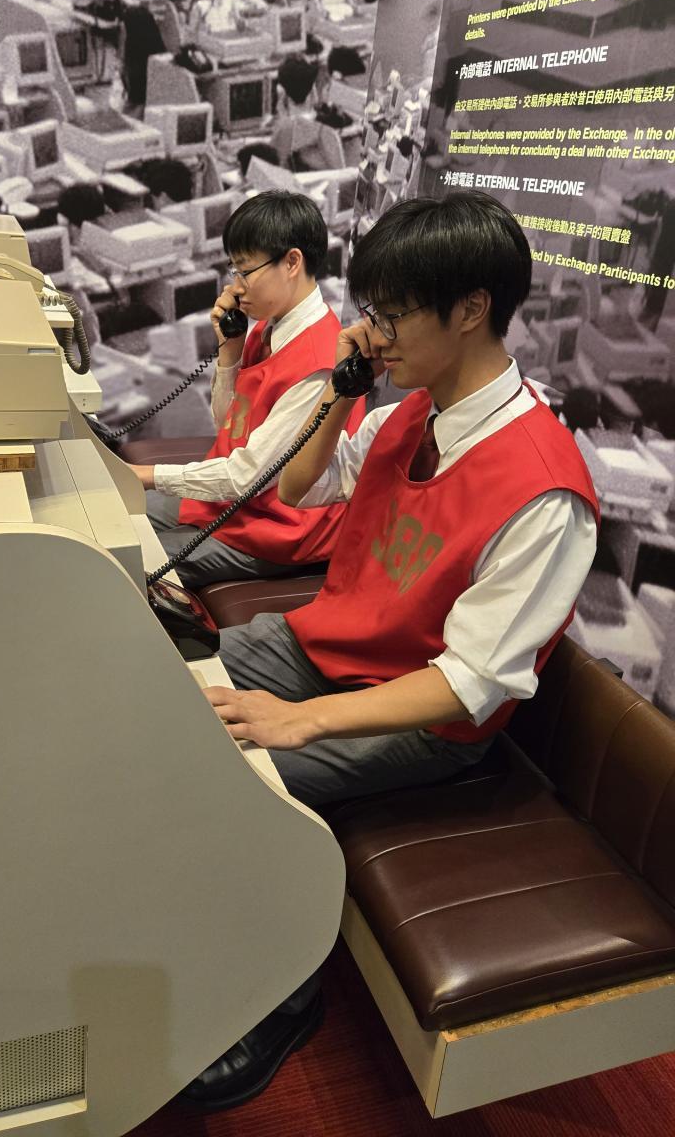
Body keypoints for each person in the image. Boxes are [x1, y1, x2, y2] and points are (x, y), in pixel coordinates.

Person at [182, 191, 599, 1111]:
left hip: (421, 717)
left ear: (471, 309)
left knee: (230, 781)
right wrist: (344, 388)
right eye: (371, 310)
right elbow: (299, 484)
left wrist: (303, 723)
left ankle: (282, 992)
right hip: (324, 646)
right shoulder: (409, 411)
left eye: (392, 313)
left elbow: (470, 683)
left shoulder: (544, 488)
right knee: (165, 682)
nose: (373, 331)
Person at [129, 191, 366, 587]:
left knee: (128, 559)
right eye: (234, 271)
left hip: (279, 525)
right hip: (245, 501)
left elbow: (247, 477)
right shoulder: (269, 328)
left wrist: (146, 474)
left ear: (292, 262)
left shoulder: (319, 361)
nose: (236, 287)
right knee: (118, 516)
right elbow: (229, 424)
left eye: (245, 271)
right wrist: (230, 353)